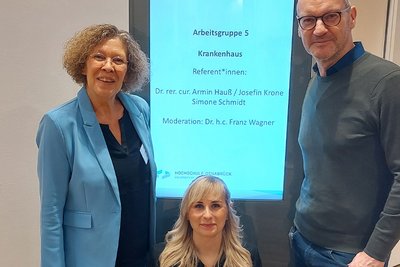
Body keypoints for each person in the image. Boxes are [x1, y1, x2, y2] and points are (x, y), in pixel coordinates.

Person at [36, 24, 156, 267]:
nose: (108, 66)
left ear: (128, 69)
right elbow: (51, 214)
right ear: (83, 65)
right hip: (91, 259)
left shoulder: (140, 111)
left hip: (140, 256)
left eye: (118, 60)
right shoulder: (58, 125)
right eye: (99, 57)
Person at [291, 0, 400, 266]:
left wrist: (376, 252)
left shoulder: (388, 83)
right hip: (300, 239)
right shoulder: (316, 78)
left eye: (330, 17)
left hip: (348, 256)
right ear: (299, 28)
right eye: (308, 20)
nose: (318, 29)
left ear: (351, 17)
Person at [156, 175, 262, 267]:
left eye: (215, 206)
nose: (207, 215)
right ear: (187, 213)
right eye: (199, 206)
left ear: (228, 213)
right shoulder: (161, 256)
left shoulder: (248, 257)